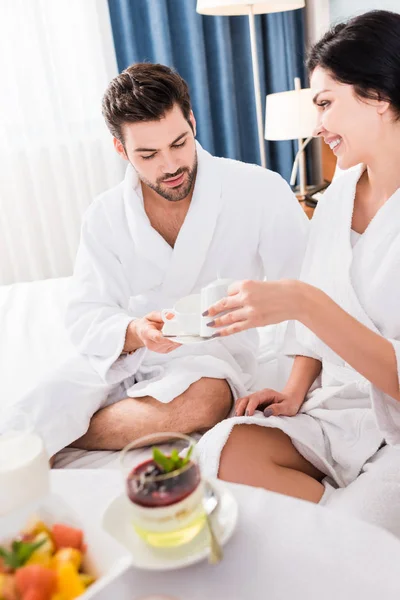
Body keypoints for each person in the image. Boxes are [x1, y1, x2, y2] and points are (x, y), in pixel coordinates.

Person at [1, 63, 308, 459]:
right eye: (148, 154)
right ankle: (31, 438)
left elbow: (307, 293)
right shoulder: (105, 214)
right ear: (120, 149)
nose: (170, 166)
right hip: (127, 351)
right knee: (40, 400)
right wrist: (135, 330)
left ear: (192, 122)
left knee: (203, 402)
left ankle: (56, 436)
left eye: (179, 143)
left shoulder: (259, 190)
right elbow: (86, 311)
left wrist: (294, 385)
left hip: (209, 358)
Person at [197, 10, 400, 508]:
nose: (318, 126)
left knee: (361, 520)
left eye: (327, 103)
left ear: (377, 97)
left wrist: (302, 302)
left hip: (392, 422)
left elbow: (317, 308)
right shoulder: (338, 195)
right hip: (338, 408)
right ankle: (337, 521)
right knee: (221, 450)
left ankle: (349, 527)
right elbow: (320, 313)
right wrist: (293, 391)